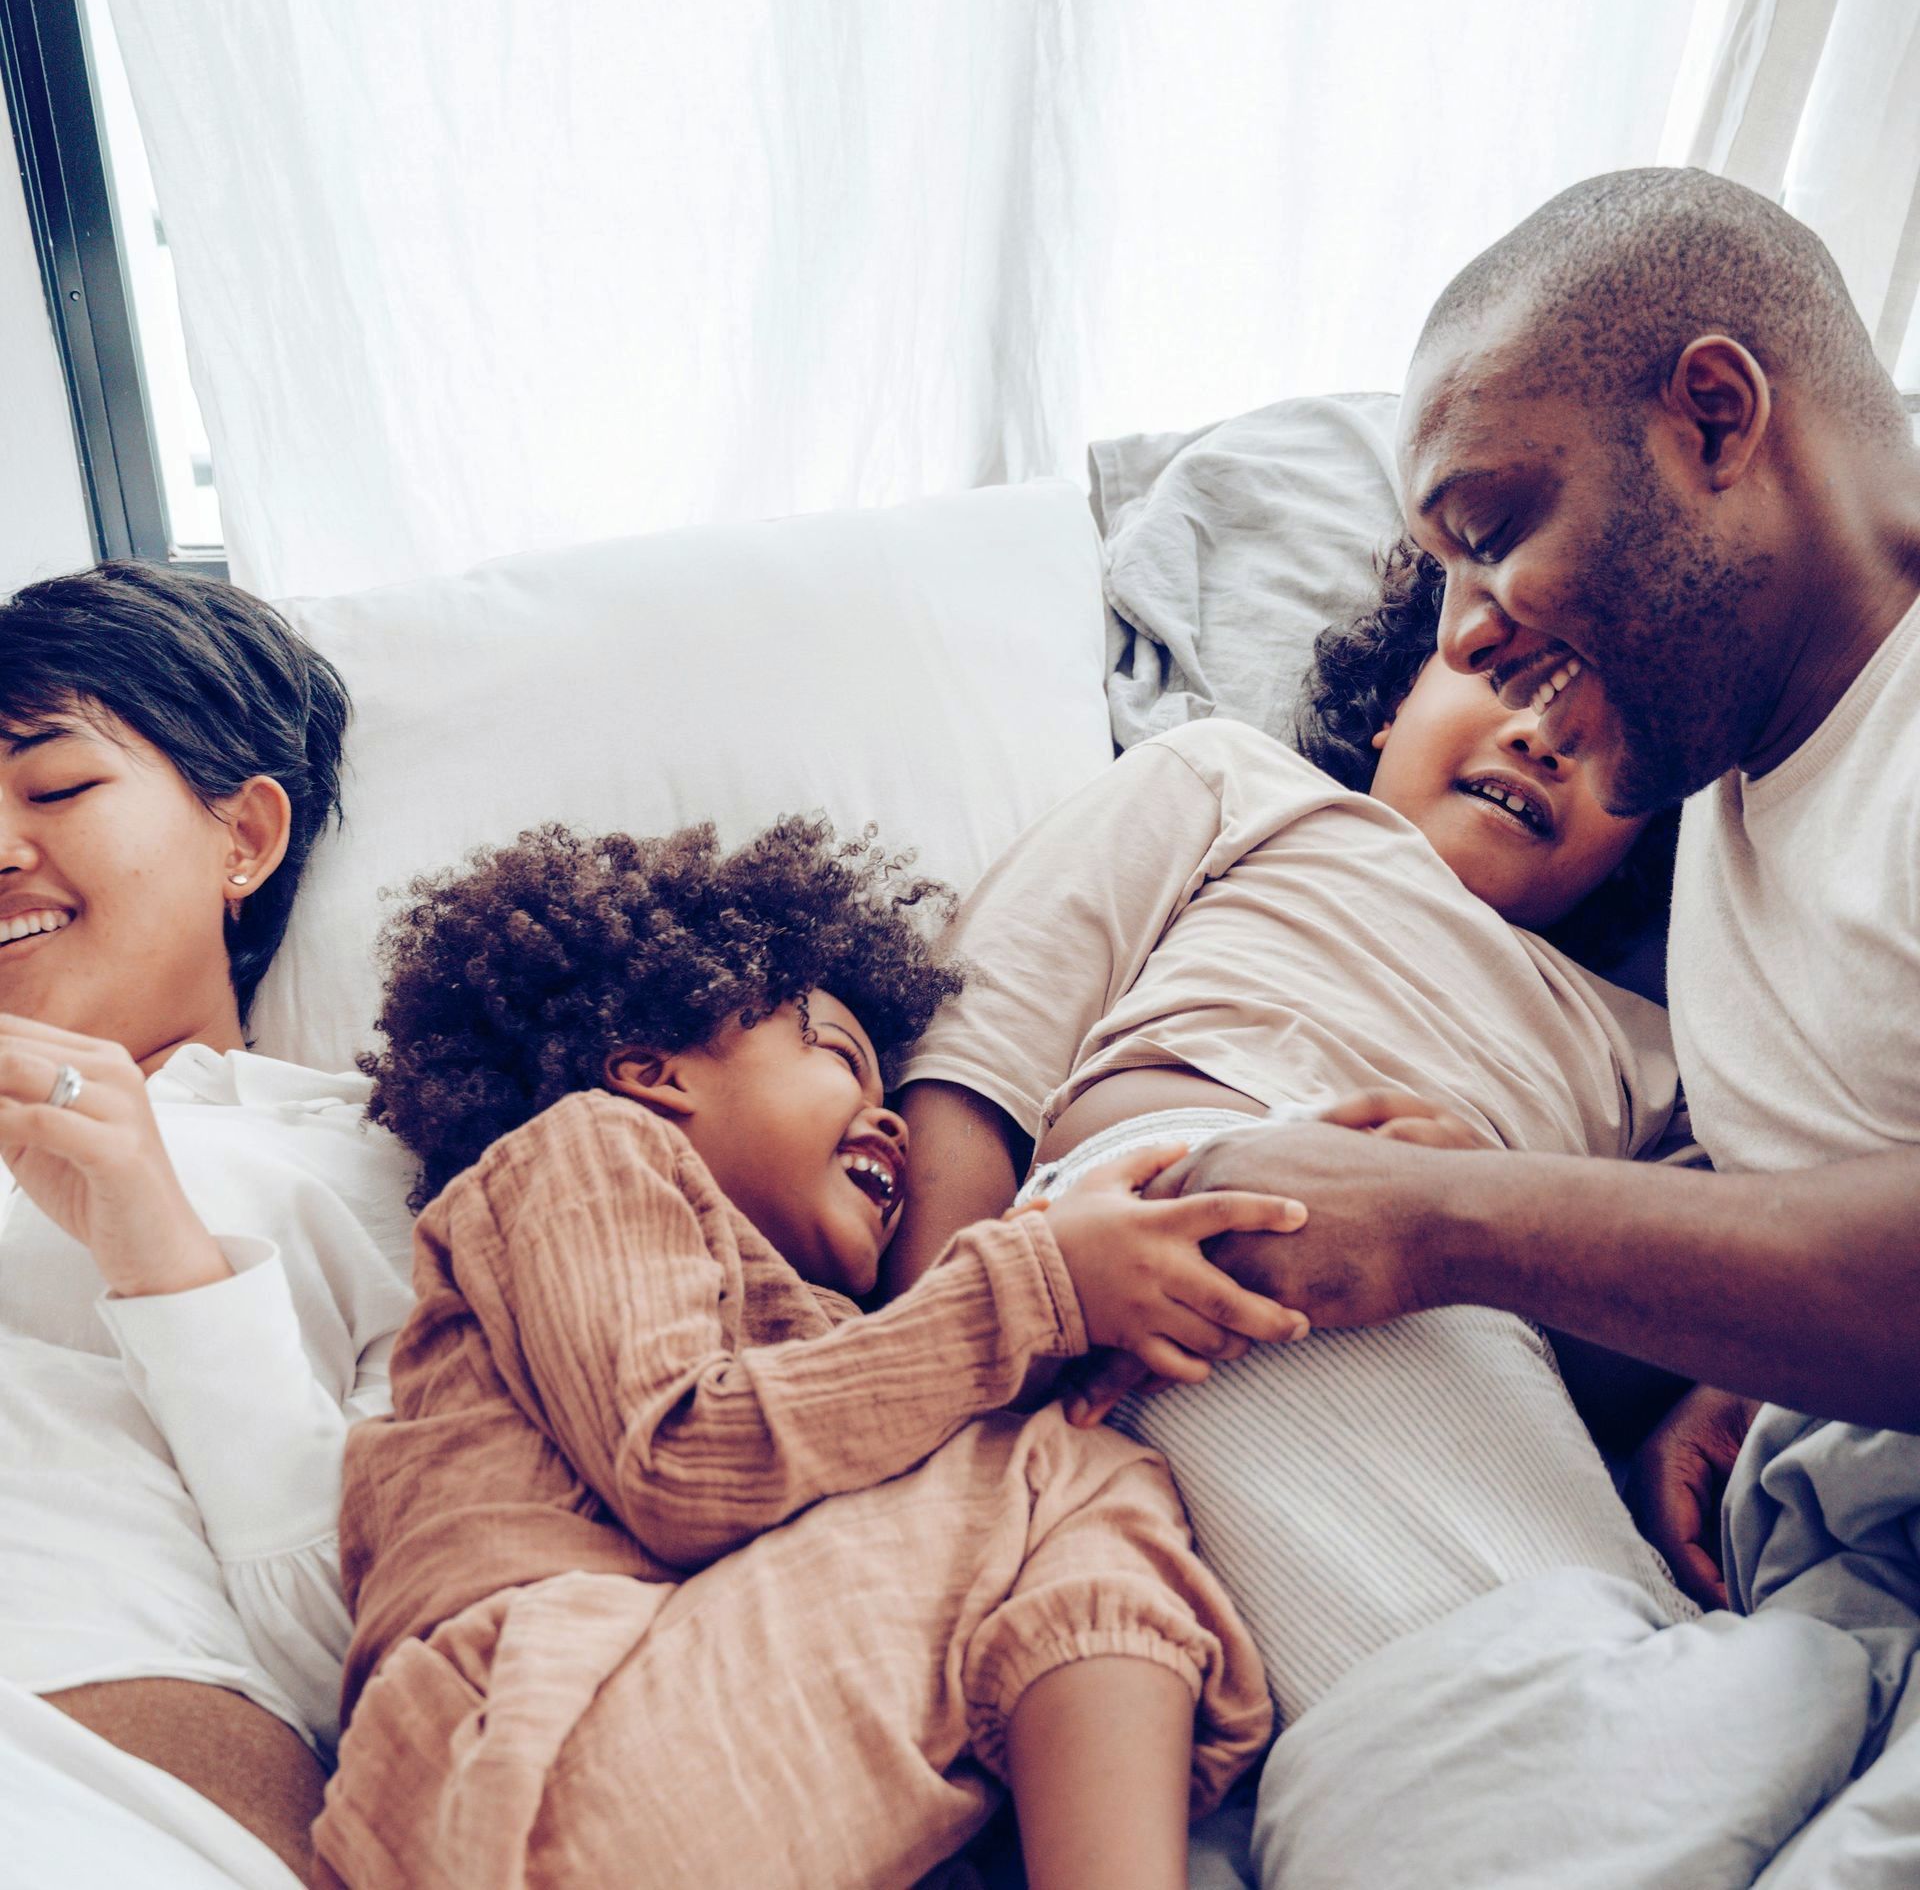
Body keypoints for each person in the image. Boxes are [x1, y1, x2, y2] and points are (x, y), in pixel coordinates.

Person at [1134, 168, 1920, 1887]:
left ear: (1718, 414)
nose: (1472, 627)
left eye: (1490, 532)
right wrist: (1728, 1359)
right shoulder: (1718, 787)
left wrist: (1458, 1226)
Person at [315, 818, 1285, 1890]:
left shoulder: (830, 1339)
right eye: (835, 1051)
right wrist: (1037, 1282)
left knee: (1050, 1472)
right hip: (530, 1749)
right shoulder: (584, 1152)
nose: (894, 1122)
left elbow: (864, 1416)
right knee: (1072, 1474)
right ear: (650, 1069)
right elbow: (682, 1454)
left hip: (654, 1759)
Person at [889, 534, 1694, 1753]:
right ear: (1391, 703)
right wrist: (948, 1351)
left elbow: (1648, 1335)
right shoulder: (1239, 786)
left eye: (1609, 733)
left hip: (1471, 1314)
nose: (1542, 735)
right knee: (1544, 1706)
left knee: (1597, 1654)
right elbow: (977, 1046)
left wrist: (1490, 1210)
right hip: (1153, 1222)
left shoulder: (1662, 1047)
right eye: (1510, 676)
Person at [0, 563, 417, 1889]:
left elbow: (363, 1653)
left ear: (244, 834)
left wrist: (164, 1259)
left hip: (92, 1761)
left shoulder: (377, 1165)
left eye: (56, 787)